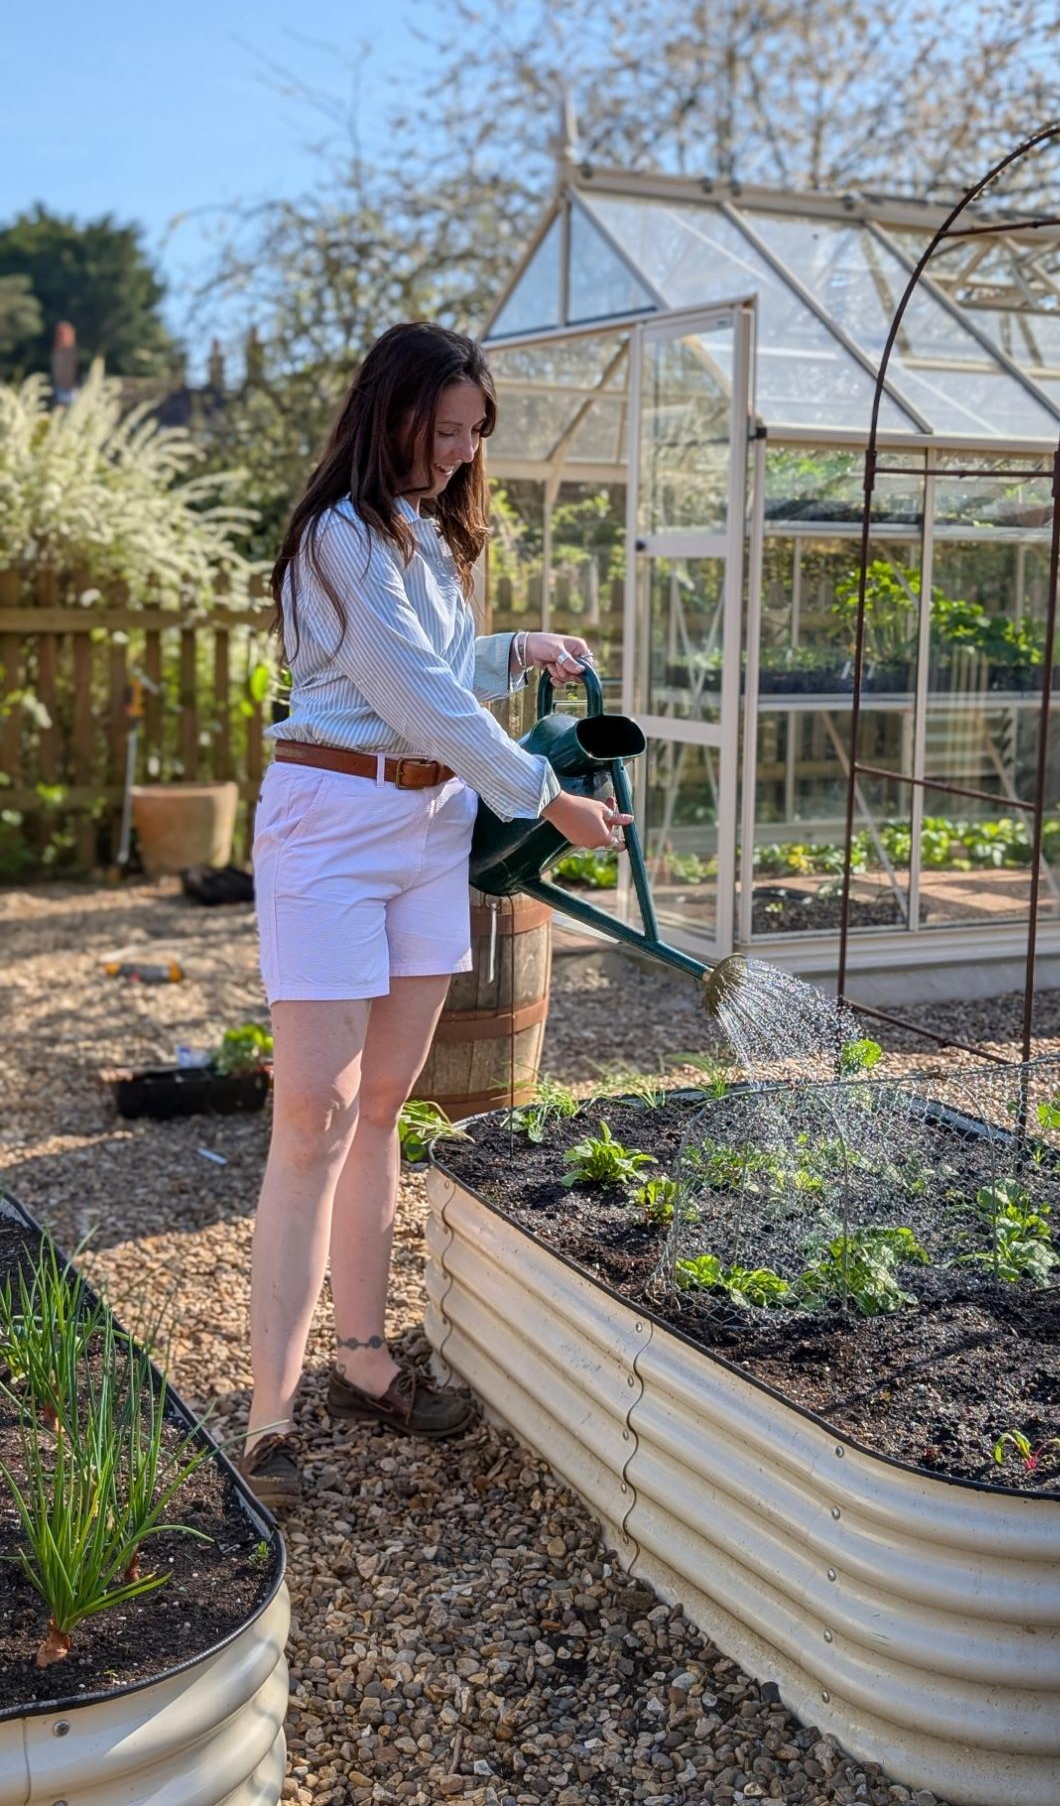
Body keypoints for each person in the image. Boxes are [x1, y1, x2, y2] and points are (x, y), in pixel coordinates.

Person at [239, 322, 630, 1510]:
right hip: (331, 827)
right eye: (444, 430)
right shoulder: (336, 538)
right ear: (389, 412)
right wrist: (544, 796)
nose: (462, 456)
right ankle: (267, 1418)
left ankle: (364, 1358)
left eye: (474, 436)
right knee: (313, 1113)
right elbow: (413, 697)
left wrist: (521, 645)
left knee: (387, 1111)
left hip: (424, 833)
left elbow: (444, 666)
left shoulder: (421, 534)